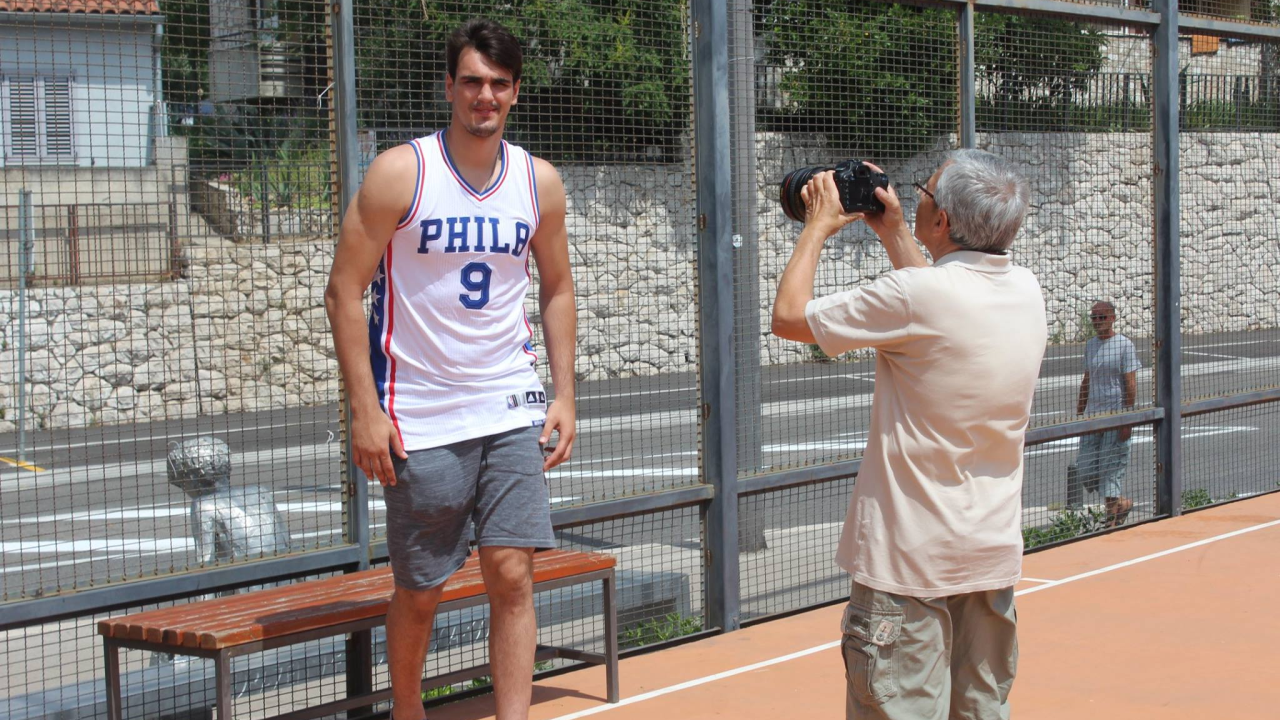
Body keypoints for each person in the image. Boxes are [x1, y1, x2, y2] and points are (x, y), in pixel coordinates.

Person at [324, 18, 576, 720]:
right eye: (471, 82)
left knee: (513, 571)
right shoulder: (402, 172)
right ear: (449, 87)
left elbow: (557, 287)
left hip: (509, 404)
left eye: (498, 85)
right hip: (420, 416)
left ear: (516, 93)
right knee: (422, 587)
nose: (484, 97)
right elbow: (343, 292)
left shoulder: (538, 182)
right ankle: (408, 713)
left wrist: (564, 393)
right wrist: (365, 409)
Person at [771, 149, 1046, 720]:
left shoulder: (916, 298)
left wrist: (818, 226)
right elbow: (939, 295)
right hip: (988, 558)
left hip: (908, 564)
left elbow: (790, 318)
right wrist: (896, 231)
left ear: (942, 221)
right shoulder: (1025, 290)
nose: (911, 194)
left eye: (923, 191)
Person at [1070, 300, 1140, 526]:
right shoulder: (1090, 345)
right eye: (1094, 318)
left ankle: (1111, 520)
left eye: (1102, 317)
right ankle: (1123, 503)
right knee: (1086, 469)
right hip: (1093, 416)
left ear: (1112, 318)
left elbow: (1130, 383)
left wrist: (1127, 420)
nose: (1097, 322)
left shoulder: (1124, 345)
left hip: (1115, 416)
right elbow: (1087, 379)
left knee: (1111, 470)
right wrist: (1080, 412)